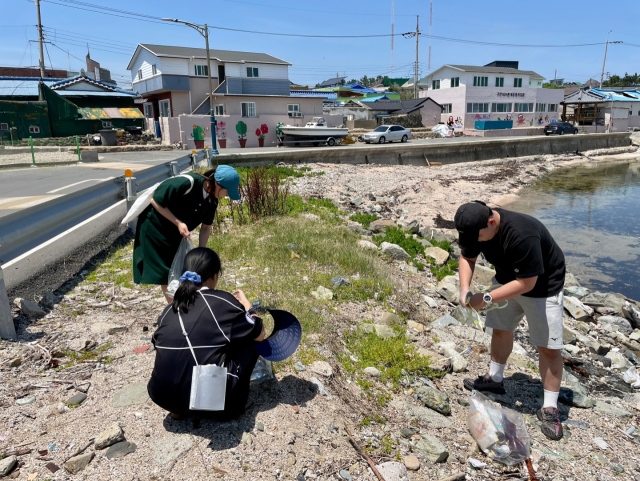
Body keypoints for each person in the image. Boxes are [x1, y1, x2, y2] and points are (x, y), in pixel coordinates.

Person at [455, 201, 566, 441]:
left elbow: (528, 283)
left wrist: (485, 298)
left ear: (492, 222)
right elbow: (467, 257)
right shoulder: (477, 227)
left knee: (548, 348)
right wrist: (465, 289)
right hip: (506, 281)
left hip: (543, 288)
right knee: (500, 329)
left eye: (479, 238)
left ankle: (549, 408)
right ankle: (495, 380)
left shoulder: (522, 234)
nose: (477, 242)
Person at [148, 247, 266, 420]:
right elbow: (259, 333)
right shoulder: (222, 301)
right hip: (212, 403)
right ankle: (231, 401)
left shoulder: (169, 309)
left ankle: (179, 410)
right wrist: (248, 306)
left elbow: (159, 348)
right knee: (248, 338)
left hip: (162, 397)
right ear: (214, 276)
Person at [133, 165, 240, 302]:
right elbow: (155, 200)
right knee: (166, 271)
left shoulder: (212, 201)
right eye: (226, 192)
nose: (226, 196)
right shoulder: (188, 183)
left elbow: (206, 227)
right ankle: (174, 309)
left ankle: (180, 306)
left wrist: (201, 252)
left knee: (179, 269)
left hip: (176, 232)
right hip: (156, 226)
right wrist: (178, 222)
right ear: (217, 184)